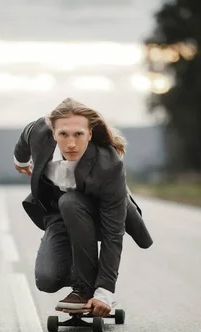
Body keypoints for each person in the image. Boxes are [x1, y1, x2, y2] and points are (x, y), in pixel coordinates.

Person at [13, 98, 153, 317]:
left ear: (90, 133)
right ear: (52, 133)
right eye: (63, 135)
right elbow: (24, 138)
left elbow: (112, 234)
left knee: (70, 202)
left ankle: (84, 287)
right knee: (47, 279)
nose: (71, 144)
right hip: (58, 213)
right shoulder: (39, 131)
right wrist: (21, 162)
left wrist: (104, 291)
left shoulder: (109, 165)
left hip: (98, 214)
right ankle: (84, 274)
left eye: (78, 134)